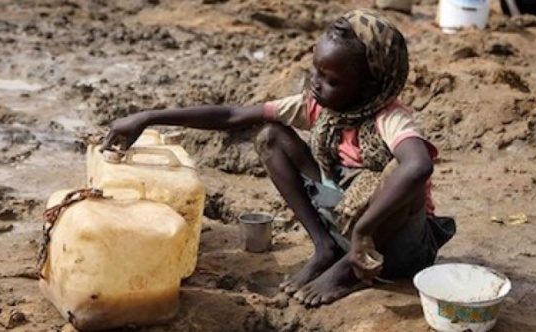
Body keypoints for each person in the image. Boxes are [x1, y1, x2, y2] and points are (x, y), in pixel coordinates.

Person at [101, 9, 455, 307]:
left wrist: (363, 232)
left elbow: (418, 165)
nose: (315, 83)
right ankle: (324, 248)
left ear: (369, 88)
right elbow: (231, 116)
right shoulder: (319, 107)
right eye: (315, 70)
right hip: (346, 220)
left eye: (330, 79)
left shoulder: (389, 119)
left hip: (394, 248)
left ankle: (351, 267)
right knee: (271, 136)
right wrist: (148, 117)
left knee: (402, 171)